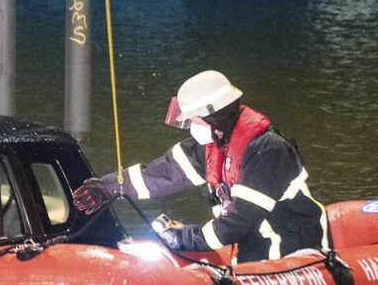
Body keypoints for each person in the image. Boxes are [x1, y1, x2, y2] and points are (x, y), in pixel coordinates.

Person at [72, 70, 326, 263]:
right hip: (252, 250)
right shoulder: (209, 146)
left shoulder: (267, 150)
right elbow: (159, 175)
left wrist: (183, 238)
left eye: (195, 119)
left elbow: (240, 222)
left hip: (291, 252)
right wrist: (107, 187)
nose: (193, 126)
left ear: (214, 116)